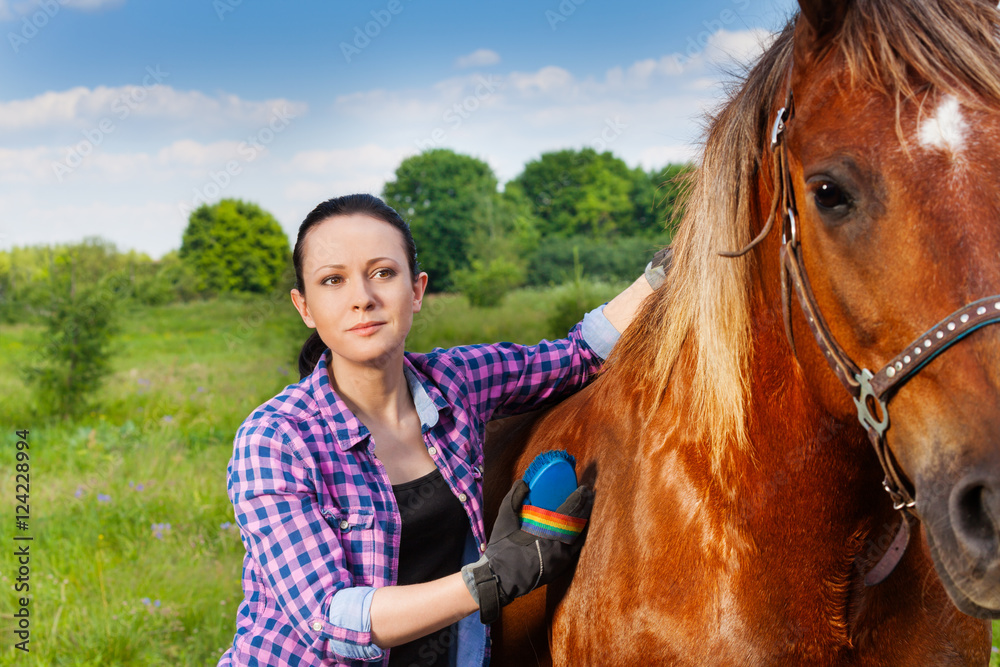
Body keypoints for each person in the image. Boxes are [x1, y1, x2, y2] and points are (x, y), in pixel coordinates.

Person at [218, 193, 661, 667]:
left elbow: (578, 357)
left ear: (417, 290)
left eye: (383, 273)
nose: (362, 299)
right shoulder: (276, 440)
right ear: (304, 307)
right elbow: (333, 620)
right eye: (333, 281)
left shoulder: (457, 381)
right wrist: (489, 579)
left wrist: (664, 275)